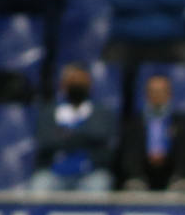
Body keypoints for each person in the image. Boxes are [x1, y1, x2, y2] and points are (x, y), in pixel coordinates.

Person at [30, 64, 119, 192]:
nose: (77, 85)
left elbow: (102, 136)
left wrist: (64, 134)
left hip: (91, 173)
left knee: (99, 184)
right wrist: (84, 136)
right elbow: (44, 140)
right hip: (54, 173)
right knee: (40, 184)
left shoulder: (102, 112)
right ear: (63, 85)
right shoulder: (49, 112)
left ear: (89, 85)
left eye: (81, 82)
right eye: (72, 81)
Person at [121, 72, 185, 190]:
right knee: (133, 135)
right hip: (143, 171)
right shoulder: (134, 123)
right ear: (146, 95)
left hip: (173, 170)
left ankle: (179, 177)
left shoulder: (183, 122)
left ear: (169, 94)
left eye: (161, 91)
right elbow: (127, 153)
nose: (156, 95)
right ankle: (136, 178)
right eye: (153, 91)